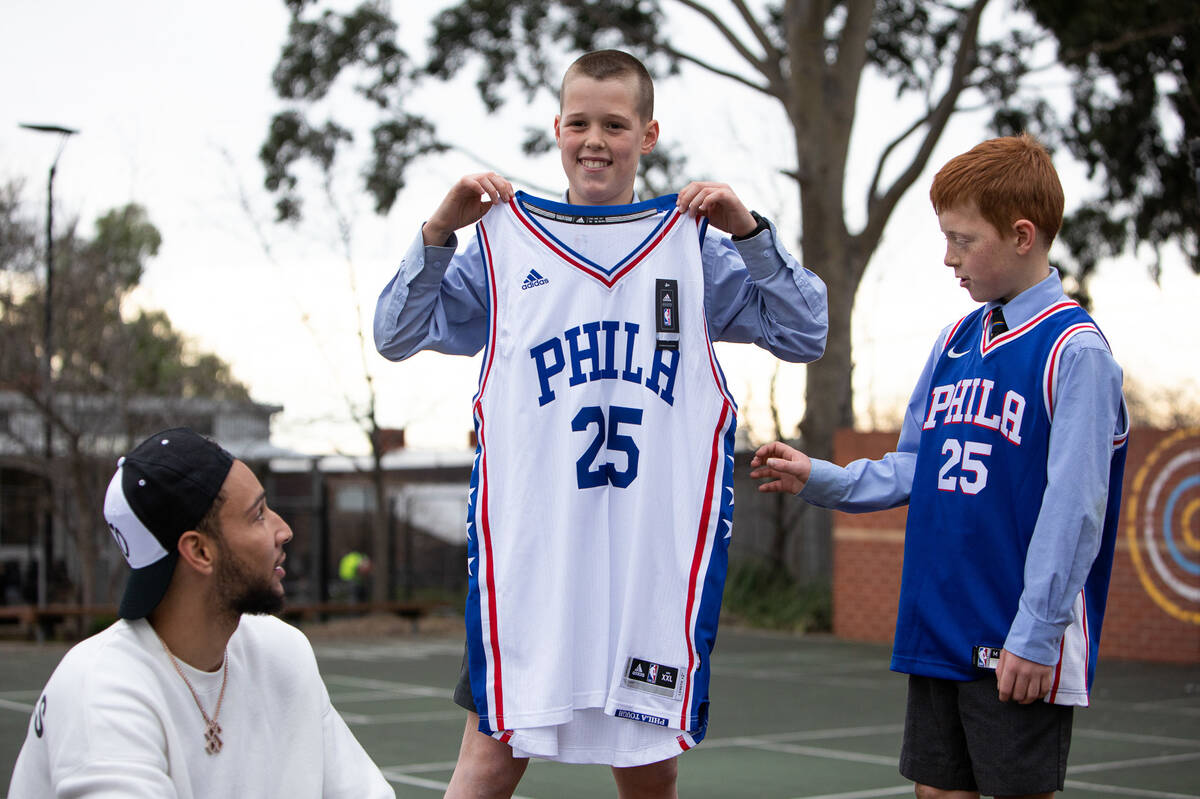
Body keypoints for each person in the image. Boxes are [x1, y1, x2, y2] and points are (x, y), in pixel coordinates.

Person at [374, 50, 827, 799]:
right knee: (489, 760)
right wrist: (438, 228)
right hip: (534, 564)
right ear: (556, 128)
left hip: (648, 565)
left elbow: (806, 332)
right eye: (579, 122)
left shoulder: (696, 251)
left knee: (648, 770)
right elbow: (395, 333)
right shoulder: (500, 243)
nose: (595, 139)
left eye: (615, 124)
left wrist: (749, 230)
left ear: (648, 134)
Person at [751, 134, 1129, 799]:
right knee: (936, 792)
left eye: (962, 239)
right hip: (938, 623)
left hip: (1012, 637)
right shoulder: (954, 340)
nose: (947, 257)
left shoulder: (1076, 353)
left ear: (1020, 235)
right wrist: (820, 476)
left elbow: (1076, 511)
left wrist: (1037, 635)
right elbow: (913, 469)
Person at [7, 428, 395, 798]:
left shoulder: (283, 650)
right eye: (257, 515)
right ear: (199, 551)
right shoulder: (102, 694)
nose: (284, 529)